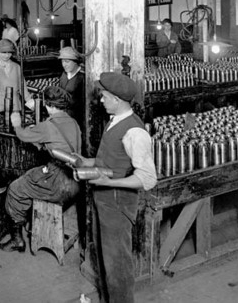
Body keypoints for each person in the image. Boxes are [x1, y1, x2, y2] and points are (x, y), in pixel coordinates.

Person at [78, 72, 157, 302]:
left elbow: (147, 179)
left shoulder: (135, 132)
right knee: (104, 262)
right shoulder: (115, 121)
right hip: (104, 203)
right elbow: (111, 161)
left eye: (104, 97)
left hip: (118, 206)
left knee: (118, 269)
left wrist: (109, 182)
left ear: (116, 99)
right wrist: (86, 162)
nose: (101, 100)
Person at [0, 87, 81, 252]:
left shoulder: (48, 126)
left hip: (57, 182)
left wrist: (16, 123)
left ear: (48, 104)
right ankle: (30, 219)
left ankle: (17, 239)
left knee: (15, 188)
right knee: (32, 177)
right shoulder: (73, 122)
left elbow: (22, 135)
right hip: (76, 180)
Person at [0, 39, 32, 112]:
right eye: (4, 52)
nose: (7, 55)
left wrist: (31, 104)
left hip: (15, 107)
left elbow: (23, 88)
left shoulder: (16, 67)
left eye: (9, 52)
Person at [58, 46, 85, 126]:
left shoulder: (82, 78)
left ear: (75, 62)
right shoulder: (64, 74)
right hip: (64, 117)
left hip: (77, 120)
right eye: (62, 61)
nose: (64, 65)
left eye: (67, 61)